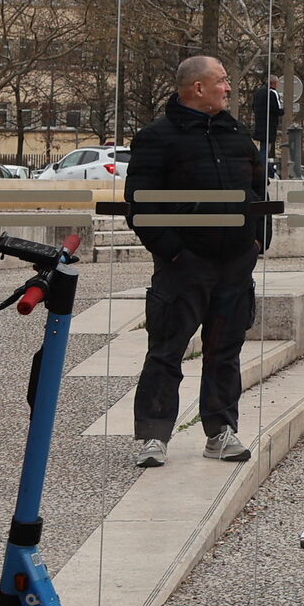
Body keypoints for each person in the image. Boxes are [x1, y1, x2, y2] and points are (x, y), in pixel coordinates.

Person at [125, 55, 270, 465]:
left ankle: (221, 432)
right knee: (166, 351)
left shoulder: (237, 134)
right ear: (197, 88)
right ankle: (154, 437)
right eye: (222, 81)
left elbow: (260, 193)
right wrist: (173, 252)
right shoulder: (157, 138)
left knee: (225, 351)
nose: (229, 88)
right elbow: (141, 205)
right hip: (183, 266)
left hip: (234, 266)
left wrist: (256, 242)